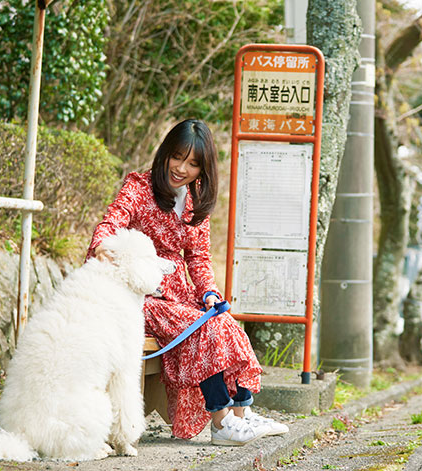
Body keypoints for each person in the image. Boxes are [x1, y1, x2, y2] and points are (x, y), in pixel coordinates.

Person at [87, 119, 288, 446]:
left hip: (180, 294)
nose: (181, 168)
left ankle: (242, 414)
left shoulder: (195, 201)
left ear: (203, 169)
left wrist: (209, 291)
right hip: (141, 294)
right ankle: (222, 422)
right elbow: (112, 221)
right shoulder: (138, 187)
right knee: (203, 328)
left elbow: (198, 257)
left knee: (223, 321)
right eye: (177, 157)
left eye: (193, 163)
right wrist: (101, 248)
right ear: (165, 153)